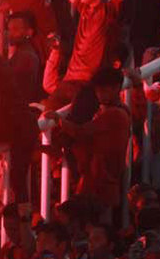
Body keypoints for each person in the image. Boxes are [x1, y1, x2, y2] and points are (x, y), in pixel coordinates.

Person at [49, 66, 130, 221]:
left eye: (104, 90)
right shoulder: (116, 111)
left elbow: (80, 132)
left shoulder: (115, 114)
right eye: (97, 91)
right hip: (99, 182)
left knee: (93, 226)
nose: (99, 95)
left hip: (101, 185)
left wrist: (58, 119)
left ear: (116, 88)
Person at [45, 0, 124, 112]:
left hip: (90, 84)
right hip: (69, 80)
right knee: (46, 118)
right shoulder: (83, 9)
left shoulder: (110, 11)